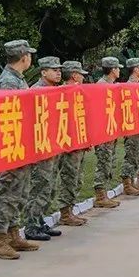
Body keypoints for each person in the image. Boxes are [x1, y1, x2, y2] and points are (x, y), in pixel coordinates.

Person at [0, 40, 42, 260]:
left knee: (20, 191)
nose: (31, 58)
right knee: (7, 192)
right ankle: (0, 240)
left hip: (21, 144)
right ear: (23, 57)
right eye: (29, 54)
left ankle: (13, 234)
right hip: (11, 145)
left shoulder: (17, 79)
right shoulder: (8, 82)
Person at [21, 56, 65, 242]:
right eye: (53, 69)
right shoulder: (36, 91)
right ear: (43, 72)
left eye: (59, 69)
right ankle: (31, 225)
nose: (58, 72)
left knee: (49, 186)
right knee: (39, 185)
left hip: (53, 144)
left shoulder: (56, 91)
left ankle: (40, 221)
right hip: (41, 146)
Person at [55, 60, 91, 227]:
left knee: (77, 178)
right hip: (69, 142)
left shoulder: (77, 91)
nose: (83, 78)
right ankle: (65, 212)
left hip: (79, 140)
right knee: (69, 177)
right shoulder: (64, 92)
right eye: (81, 75)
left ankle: (70, 209)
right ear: (75, 75)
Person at [93, 56, 127, 204]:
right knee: (103, 163)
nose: (119, 71)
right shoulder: (101, 86)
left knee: (109, 162)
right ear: (113, 70)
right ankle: (100, 195)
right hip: (103, 132)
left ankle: (104, 193)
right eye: (118, 68)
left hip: (111, 129)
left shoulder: (112, 85)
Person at [121, 58, 139, 194]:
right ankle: (127, 184)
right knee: (131, 156)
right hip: (132, 127)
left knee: (137, 155)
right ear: (135, 69)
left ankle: (133, 181)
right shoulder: (129, 86)